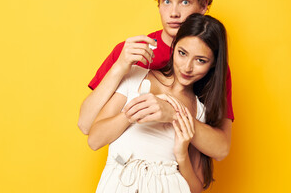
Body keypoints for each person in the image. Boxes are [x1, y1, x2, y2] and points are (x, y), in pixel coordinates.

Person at [78, 0, 233, 161]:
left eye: (184, 1)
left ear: (204, 6)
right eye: (167, 1)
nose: (174, 13)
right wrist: (119, 67)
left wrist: (175, 113)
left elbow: (221, 148)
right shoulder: (131, 52)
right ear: (159, 5)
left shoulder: (210, 64)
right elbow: (86, 125)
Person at [88, 13, 229, 192]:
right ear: (173, 46)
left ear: (213, 65)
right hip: (120, 182)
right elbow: (94, 140)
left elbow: (196, 189)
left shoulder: (198, 110)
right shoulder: (136, 77)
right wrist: (132, 114)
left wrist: (182, 155)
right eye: (182, 53)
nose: (187, 67)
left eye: (200, 60)